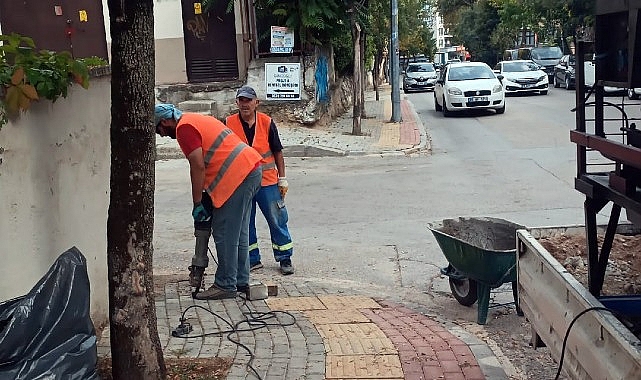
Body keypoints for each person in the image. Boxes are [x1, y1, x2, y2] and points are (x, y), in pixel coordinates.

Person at [154, 104, 262, 299]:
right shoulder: (196, 118)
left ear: (164, 121)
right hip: (251, 170)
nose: (160, 135)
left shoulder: (183, 129)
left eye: (158, 129)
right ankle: (240, 280)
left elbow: (197, 166)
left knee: (224, 231)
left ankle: (226, 285)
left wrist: (197, 203)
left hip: (238, 176)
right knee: (239, 232)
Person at [225, 86, 295, 275]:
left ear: (257, 103)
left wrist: (283, 178)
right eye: (241, 100)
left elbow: (277, 151)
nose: (245, 104)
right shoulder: (229, 123)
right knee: (245, 222)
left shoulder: (266, 122)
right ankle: (252, 259)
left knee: (277, 218)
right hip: (242, 182)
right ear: (236, 102)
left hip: (267, 182)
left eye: (248, 100)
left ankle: (285, 258)